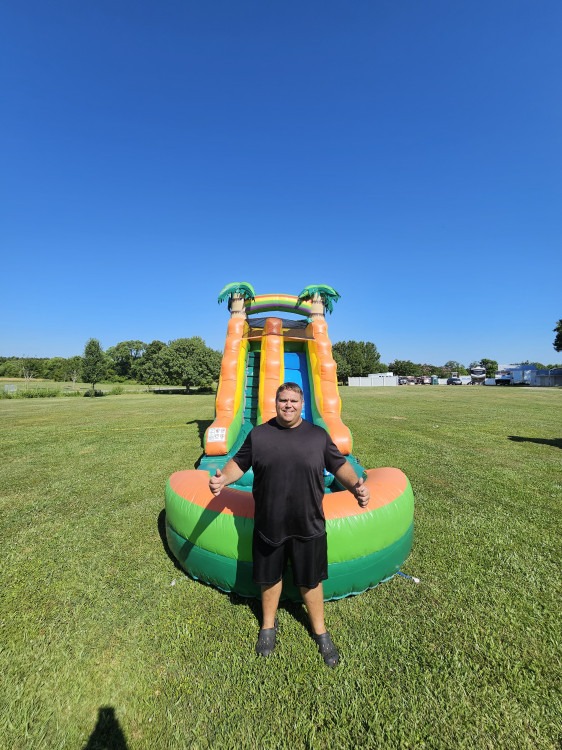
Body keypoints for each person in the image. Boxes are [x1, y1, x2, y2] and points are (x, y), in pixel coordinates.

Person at [209, 381, 370, 667]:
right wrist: (223, 479)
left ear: (302, 404)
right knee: (269, 578)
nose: (288, 405)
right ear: (275, 403)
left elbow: (339, 466)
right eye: (283, 400)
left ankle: (320, 631)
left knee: (311, 580)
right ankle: (268, 627)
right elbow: (239, 463)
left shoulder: (317, 436)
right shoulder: (259, 435)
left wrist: (355, 486)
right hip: (269, 524)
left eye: (293, 401)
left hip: (308, 524)